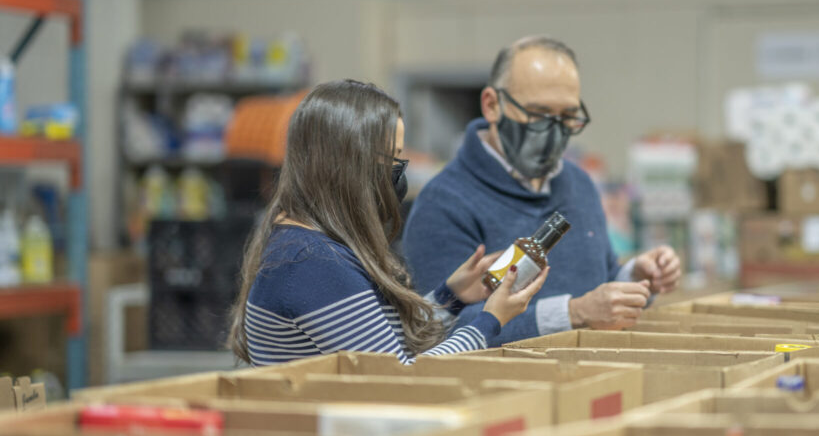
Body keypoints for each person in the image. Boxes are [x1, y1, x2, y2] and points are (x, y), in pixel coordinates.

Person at [228, 80, 548, 366]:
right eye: (392, 160)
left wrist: (453, 296)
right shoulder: (312, 263)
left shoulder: (307, 245)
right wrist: (491, 319)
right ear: (350, 165)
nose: (398, 173)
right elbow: (400, 377)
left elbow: (380, 340)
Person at [403, 36, 682, 344]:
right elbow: (440, 332)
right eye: (538, 114)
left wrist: (635, 278)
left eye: (567, 117)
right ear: (492, 105)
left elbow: (599, 280)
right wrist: (573, 313)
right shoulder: (443, 204)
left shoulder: (579, 185)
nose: (553, 131)